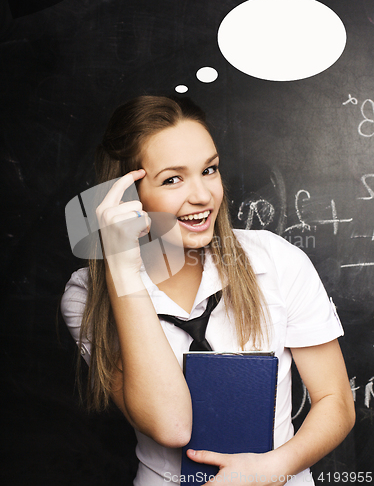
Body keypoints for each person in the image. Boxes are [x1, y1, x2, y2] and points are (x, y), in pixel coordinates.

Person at [60, 95, 355, 486]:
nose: (202, 196)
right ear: (126, 196)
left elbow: (337, 403)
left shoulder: (276, 260)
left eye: (209, 170)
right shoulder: (87, 296)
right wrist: (122, 267)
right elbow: (172, 426)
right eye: (172, 179)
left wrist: (270, 470)